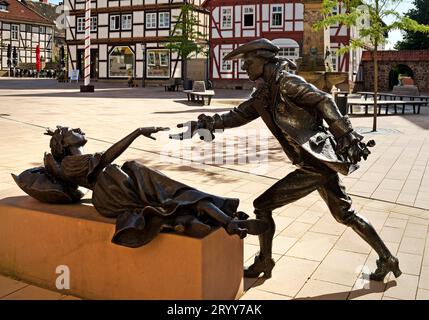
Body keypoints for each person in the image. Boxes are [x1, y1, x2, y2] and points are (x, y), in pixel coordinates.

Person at [169, 38, 401, 281]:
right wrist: (206, 124)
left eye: (248, 62)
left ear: (263, 59)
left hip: (315, 163)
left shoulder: (287, 82)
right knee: (345, 213)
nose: (245, 67)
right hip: (314, 162)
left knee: (263, 205)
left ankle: (264, 262)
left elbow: (325, 99)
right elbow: (239, 115)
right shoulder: (264, 93)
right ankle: (388, 258)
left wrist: (345, 135)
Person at [12, 126, 268, 248]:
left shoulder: (74, 161)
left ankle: (227, 222)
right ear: (63, 142)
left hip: (117, 181)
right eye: (69, 130)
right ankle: (223, 219)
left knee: (174, 195)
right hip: (111, 191)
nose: (76, 129)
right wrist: (136, 133)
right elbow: (107, 157)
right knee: (171, 196)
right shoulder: (70, 163)